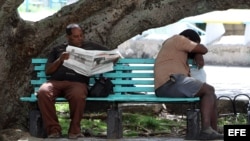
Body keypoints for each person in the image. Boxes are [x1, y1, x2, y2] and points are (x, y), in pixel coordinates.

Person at [37, 23, 108, 139]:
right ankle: (53, 130)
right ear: (68, 37)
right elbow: (48, 71)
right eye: (75, 36)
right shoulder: (58, 49)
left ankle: (75, 130)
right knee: (43, 92)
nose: (79, 39)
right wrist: (60, 59)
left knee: (78, 94)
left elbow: (111, 54)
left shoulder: (89, 46)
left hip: (77, 83)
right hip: (56, 82)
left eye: (81, 35)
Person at [154, 29, 223, 140]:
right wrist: (198, 51)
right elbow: (203, 49)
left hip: (170, 85)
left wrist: (197, 54)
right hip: (171, 82)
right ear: (189, 39)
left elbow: (196, 51)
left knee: (211, 95)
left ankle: (212, 131)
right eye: (195, 43)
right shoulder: (179, 39)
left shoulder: (174, 46)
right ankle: (206, 130)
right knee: (209, 90)